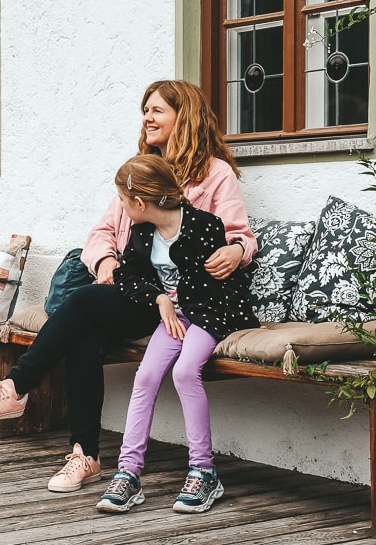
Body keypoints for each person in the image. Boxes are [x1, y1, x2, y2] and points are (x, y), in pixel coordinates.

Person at [0, 79, 258, 492]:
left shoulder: (213, 174)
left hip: (182, 301)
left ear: (183, 117)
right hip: (134, 289)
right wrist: (108, 261)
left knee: (82, 306)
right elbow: (100, 233)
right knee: (86, 333)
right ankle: (85, 456)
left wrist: (237, 252)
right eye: (145, 111)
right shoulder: (139, 170)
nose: (147, 118)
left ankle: (17, 388)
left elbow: (240, 235)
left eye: (157, 111)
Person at [96, 154, 258, 515]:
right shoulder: (141, 233)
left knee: (185, 372)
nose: (122, 209)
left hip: (214, 313)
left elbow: (218, 289)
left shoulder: (205, 226)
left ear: (139, 203)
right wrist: (159, 299)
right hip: (177, 316)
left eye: (123, 202)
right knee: (147, 375)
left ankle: (204, 470)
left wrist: (177, 302)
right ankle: (128, 472)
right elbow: (128, 277)